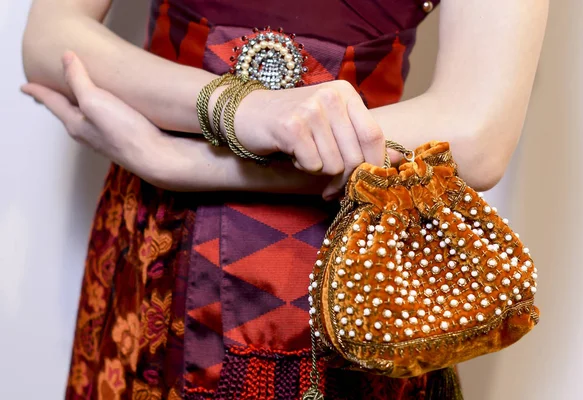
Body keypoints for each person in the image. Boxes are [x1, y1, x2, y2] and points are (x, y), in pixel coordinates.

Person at [21, 0, 548, 398]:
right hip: (150, 253)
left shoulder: (166, 159)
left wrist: (180, 160)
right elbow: (50, 40)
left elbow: (478, 136)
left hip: (338, 275)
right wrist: (240, 110)